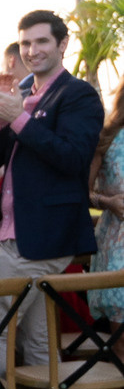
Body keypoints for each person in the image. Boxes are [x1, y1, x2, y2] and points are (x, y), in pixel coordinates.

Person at [0, 9, 108, 389]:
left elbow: (72, 160)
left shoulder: (80, 95)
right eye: (25, 44)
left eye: (41, 42)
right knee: (33, 344)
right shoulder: (21, 93)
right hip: (11, 234)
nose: (31, 51)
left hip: (44, 239)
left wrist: (20, 120)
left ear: (62, 44)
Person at [90, 76, 124, 319]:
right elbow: (81, 192)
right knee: (121, 337)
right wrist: (107, 202)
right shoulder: (107, 137)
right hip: (116, 244)